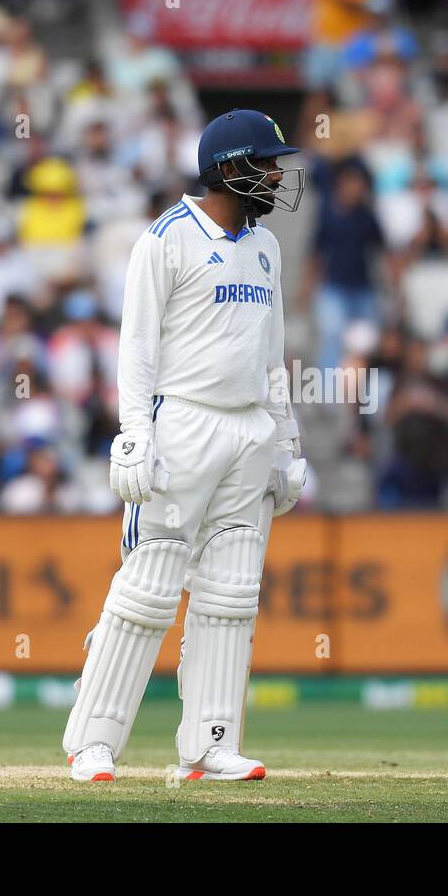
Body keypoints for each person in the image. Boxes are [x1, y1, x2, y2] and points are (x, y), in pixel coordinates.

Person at [62, 110, 308, 782]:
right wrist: (134, 434)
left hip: (249, 426)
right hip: (184, 425)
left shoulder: (266, 247)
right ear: (230, 169)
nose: (280, 175)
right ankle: (94, 744)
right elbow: (136, 349)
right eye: (268, 162)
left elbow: (272, 354)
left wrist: (286, 442)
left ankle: (210, 744)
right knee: (148, 589)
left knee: (231, 595)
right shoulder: (165, 239)